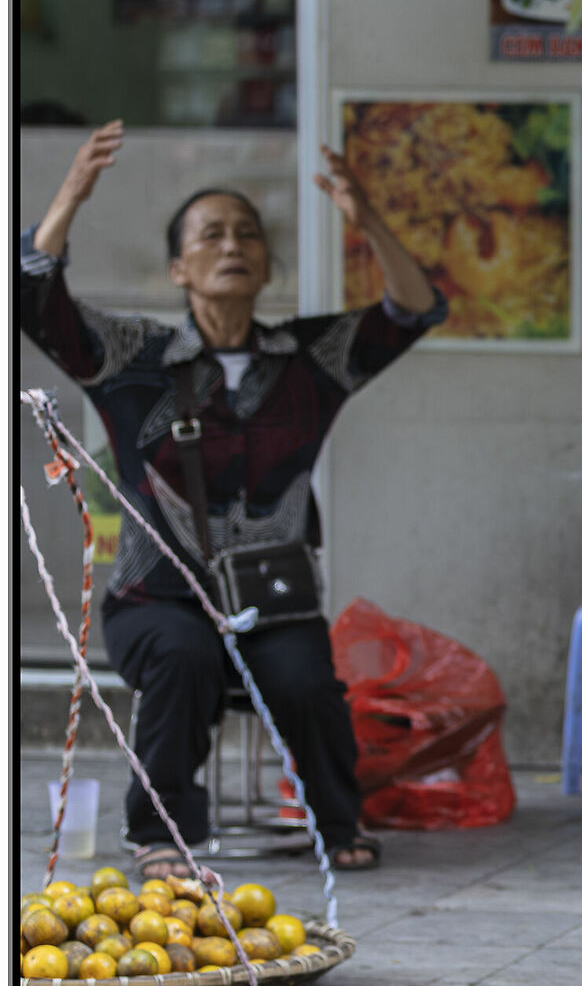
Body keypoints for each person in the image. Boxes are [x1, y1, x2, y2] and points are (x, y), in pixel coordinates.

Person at [17, 121, 446, 878]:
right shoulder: (135, 360)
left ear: (266, 267)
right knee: (184, 659)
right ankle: (160, 836)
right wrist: (74, 191)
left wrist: (370, 221)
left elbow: (411, 313)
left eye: (247, 234)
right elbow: (31, 301)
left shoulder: (311, 362)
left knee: (306, 678)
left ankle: (336, 821)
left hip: (273, 601)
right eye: (210, 235)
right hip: (156, 599)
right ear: (180, 268)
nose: (232, 245)